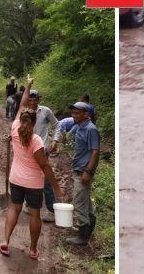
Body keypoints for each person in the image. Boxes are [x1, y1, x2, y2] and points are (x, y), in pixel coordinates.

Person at [0, 78, 64, 261]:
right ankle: (33, 250)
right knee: (35, 213)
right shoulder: (36, 141)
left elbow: (22, 102)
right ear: (35, 122)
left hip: (16, 179)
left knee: (14, 208)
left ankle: (5, 241)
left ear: (21, 118)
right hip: (33, 183)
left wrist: (28, 85)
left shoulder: (14, 128)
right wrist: (57, 188)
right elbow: (44, 165)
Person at [64, 102, 100, 246]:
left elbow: (95, 152)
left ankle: (82, 237)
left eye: (77, 113)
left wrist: (88, 172)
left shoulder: (91, 129)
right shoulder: (79, 126)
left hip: (83, 171)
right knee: (84, 201)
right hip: (79, 169)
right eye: (73, 113)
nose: (74, 116)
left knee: (78, 203)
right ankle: (88, 227)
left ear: (86, 114)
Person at [21, 89, 59, 221]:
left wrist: (55, 140)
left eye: (35, 100)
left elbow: (57, 124)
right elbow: (20, 129)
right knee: (27, 176)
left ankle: (52, 210)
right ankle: (28, 203)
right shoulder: (24, 112)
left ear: (39, 99)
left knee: (45, 178)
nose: (32, 102)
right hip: (28, 150)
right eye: (30, 100)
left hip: (42, 149)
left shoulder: (45, 111)